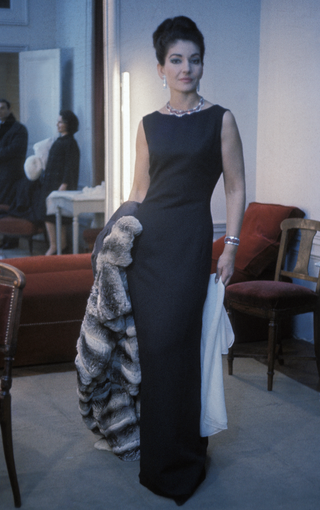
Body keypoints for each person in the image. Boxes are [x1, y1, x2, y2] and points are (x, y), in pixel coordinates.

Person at [93, 16, 246, 506]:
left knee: (180, 345)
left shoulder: (220, 118)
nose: (186, 68)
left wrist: (232, 246)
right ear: (161, 67)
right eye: (176, 60)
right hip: (150, 247)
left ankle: (185, 456)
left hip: (189, 243)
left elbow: (237, 186)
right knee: (154, 351)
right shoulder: (148, 125)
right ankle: (157, 454)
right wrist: (113, 231)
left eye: (194, 59)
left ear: (202, 64)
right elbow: (140, 191)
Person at [36, 110, 80, 255]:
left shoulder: (70, 143)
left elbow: (70, 165)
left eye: (61, 122)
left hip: (59, 184)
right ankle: (55, 245)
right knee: (48, 216)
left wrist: (64, 184)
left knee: (59, 217)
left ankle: (58, 246)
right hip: (50, 183)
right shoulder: (58, 140)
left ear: (68, 124)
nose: (58, 124)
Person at [0, 99, 28, 249]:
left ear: (9, 110)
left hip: (12, 176)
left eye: (2, 108)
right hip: (1, 176)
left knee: (8, 207)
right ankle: (4, 238)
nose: (0, 111)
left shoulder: (19, 129)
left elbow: (15, 150)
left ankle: (11, 240)